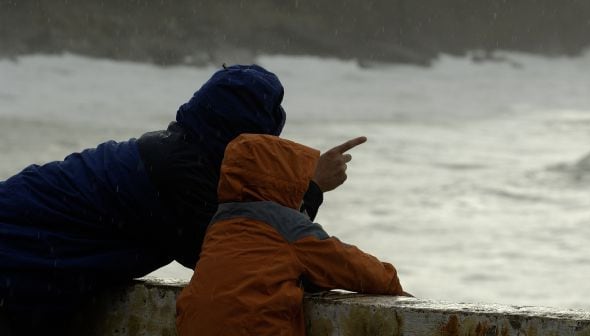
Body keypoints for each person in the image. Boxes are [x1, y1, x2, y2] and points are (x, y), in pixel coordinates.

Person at [0, 64, 365, 333]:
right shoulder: (184, 179)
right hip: (15, 254)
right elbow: (256, 260)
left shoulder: (174, 153)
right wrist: (310, 188)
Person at [176, 133, 405, 336]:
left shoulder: (219, 225)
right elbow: (358, 269)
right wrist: (395, 285)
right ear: (284, 179)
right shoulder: (288, 227)